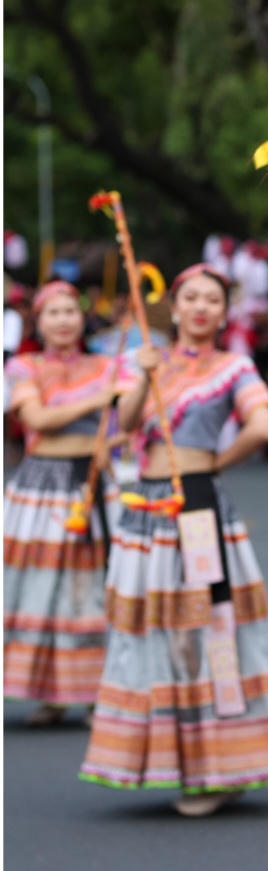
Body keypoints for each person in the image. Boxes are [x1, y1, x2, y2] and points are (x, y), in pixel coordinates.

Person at [80, 263, 268, 816]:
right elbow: (126, 423)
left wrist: (214, 465)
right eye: (192, 298)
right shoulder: (149, 361)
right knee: (154, 628)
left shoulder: (233, 366)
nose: (201, 307)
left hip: (197, 507)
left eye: (212, 299)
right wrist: (144, 376)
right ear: (175, 306)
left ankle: (220, 765)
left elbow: (263, 425)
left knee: (211, 626)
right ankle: (176, 757)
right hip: (146, 509)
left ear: (225, 313)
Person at [4, 281, 126, 725]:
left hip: (93, 485)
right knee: (44, 590)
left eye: (70, 311)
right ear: (38, 321)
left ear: (82, 317)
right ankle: (52, 695)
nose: (63, 320)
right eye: (52, 312)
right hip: (42, 490)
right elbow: (37, 419)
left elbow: (135, 419)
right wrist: (100, 397)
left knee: (93, 588)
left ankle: (96, 694)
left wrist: (113, 437)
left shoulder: (108, 365)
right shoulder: (23, 366)